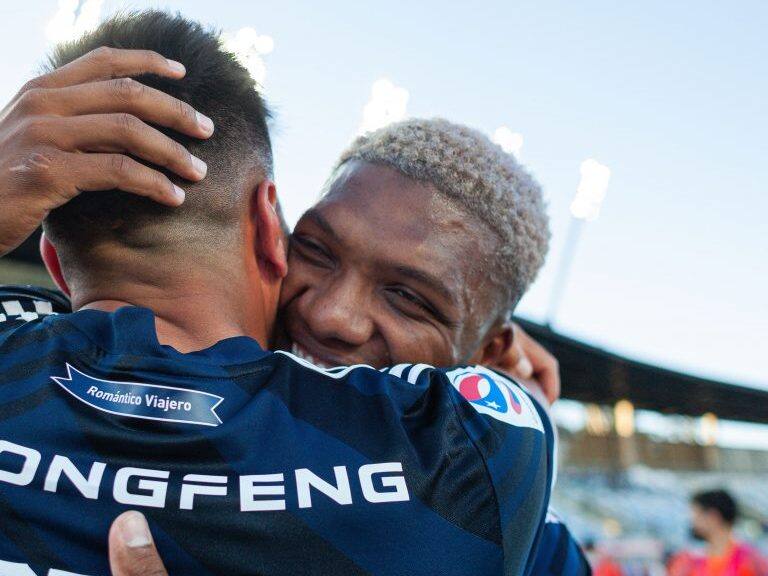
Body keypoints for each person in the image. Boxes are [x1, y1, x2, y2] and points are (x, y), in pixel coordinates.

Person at [0, 11, 554, 576]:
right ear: (272, 229)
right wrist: (498, 392)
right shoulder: (477, 468)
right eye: (316, 250)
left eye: (411, 299)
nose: (332, 314)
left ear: (55, 264)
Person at [669, 489, 768, 576]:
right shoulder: (688, 562)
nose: (693, 522)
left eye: (697, 515)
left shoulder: (750, 561)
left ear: (713, 517)